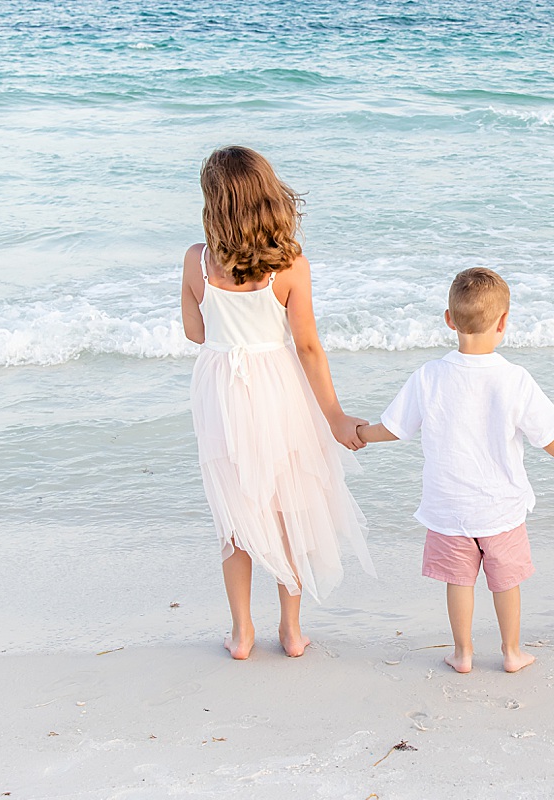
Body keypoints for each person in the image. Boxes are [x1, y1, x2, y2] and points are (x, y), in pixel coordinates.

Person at [180, 146, 375, 660]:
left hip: (221, 391)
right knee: (289, 509)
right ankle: (291, 631)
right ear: (270, 198)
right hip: (279, 390)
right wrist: (334, 415)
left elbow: (195, 333)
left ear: (214, 205)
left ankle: (242, 634)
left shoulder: (196, 261)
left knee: (234, 512)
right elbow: (308, 346)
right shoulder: (290, 267)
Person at [357, 267, 554, 674]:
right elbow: (546, 435)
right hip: (501, 508)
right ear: (503, 323)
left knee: (459, 582)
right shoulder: (514, 379)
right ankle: (512, 652)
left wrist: (360, 432)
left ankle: (463, 653)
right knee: (506, 583)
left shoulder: (429, 376)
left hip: (449, 508)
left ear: (449, 320)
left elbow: (394, 429)